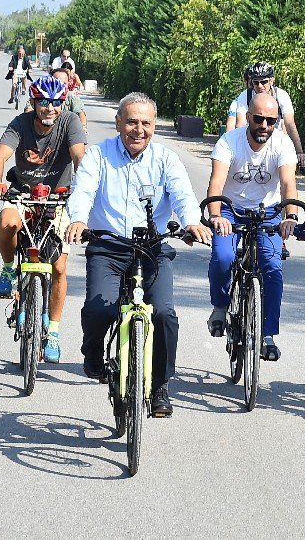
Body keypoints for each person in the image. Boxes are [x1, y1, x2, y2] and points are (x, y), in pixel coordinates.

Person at [64, 92, 212, 417]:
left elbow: (184, 195)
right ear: (118, 123)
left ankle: (160, 386)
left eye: (145, 123)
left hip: (153, 250)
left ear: (154, 126)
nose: (138, 129)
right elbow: (84, 189)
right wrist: (77, 219)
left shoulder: (166, 160)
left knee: (164, 314)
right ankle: (92, 355)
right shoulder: (99, 155)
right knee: (98, 309)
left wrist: (191, 223)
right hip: (108, 247)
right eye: (131, 121)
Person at [0, 76, 87, 363]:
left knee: (59, 266)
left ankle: (52, 331)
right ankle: (8, 269)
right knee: (7, 223)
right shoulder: (20, 123)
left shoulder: (70, 123)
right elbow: (1, 156)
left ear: (62, 103)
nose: (50, 108)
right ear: (33, 103)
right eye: (43, 102)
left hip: (59, 198)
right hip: (23, 194)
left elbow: (80, 156)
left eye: (56, 102)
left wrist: (84, 183)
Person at [205, 92, 300, 360]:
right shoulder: (229, 142)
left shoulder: (282, 144)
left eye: (271, 121)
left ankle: (267, 334)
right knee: (223, 256)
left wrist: (289, 216)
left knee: (272, 267)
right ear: (248, 117)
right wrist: (216, 216)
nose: (264, 126)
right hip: (230, 209)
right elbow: (216, 183)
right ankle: (221, 307)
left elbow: (288, 184)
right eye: (259, 119)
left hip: (267, 212)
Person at [225, 62, 305, 167]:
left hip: (275, 140)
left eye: (263, 82)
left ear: (272, 81)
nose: (259, 86)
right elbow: (240, 125)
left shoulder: (282, 96)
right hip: (253, 139)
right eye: (256, 82)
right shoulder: (245, 96)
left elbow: (290, 124)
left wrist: (299, 151)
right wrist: (234, 151)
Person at [51, 65, 88, 130]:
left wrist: (83, 126)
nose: (60, 86)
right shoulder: (42, 94)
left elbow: (80, 113)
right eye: (57, 83)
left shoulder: (71, 96)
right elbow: (29, 109)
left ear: (68, 83)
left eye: (64, 83)